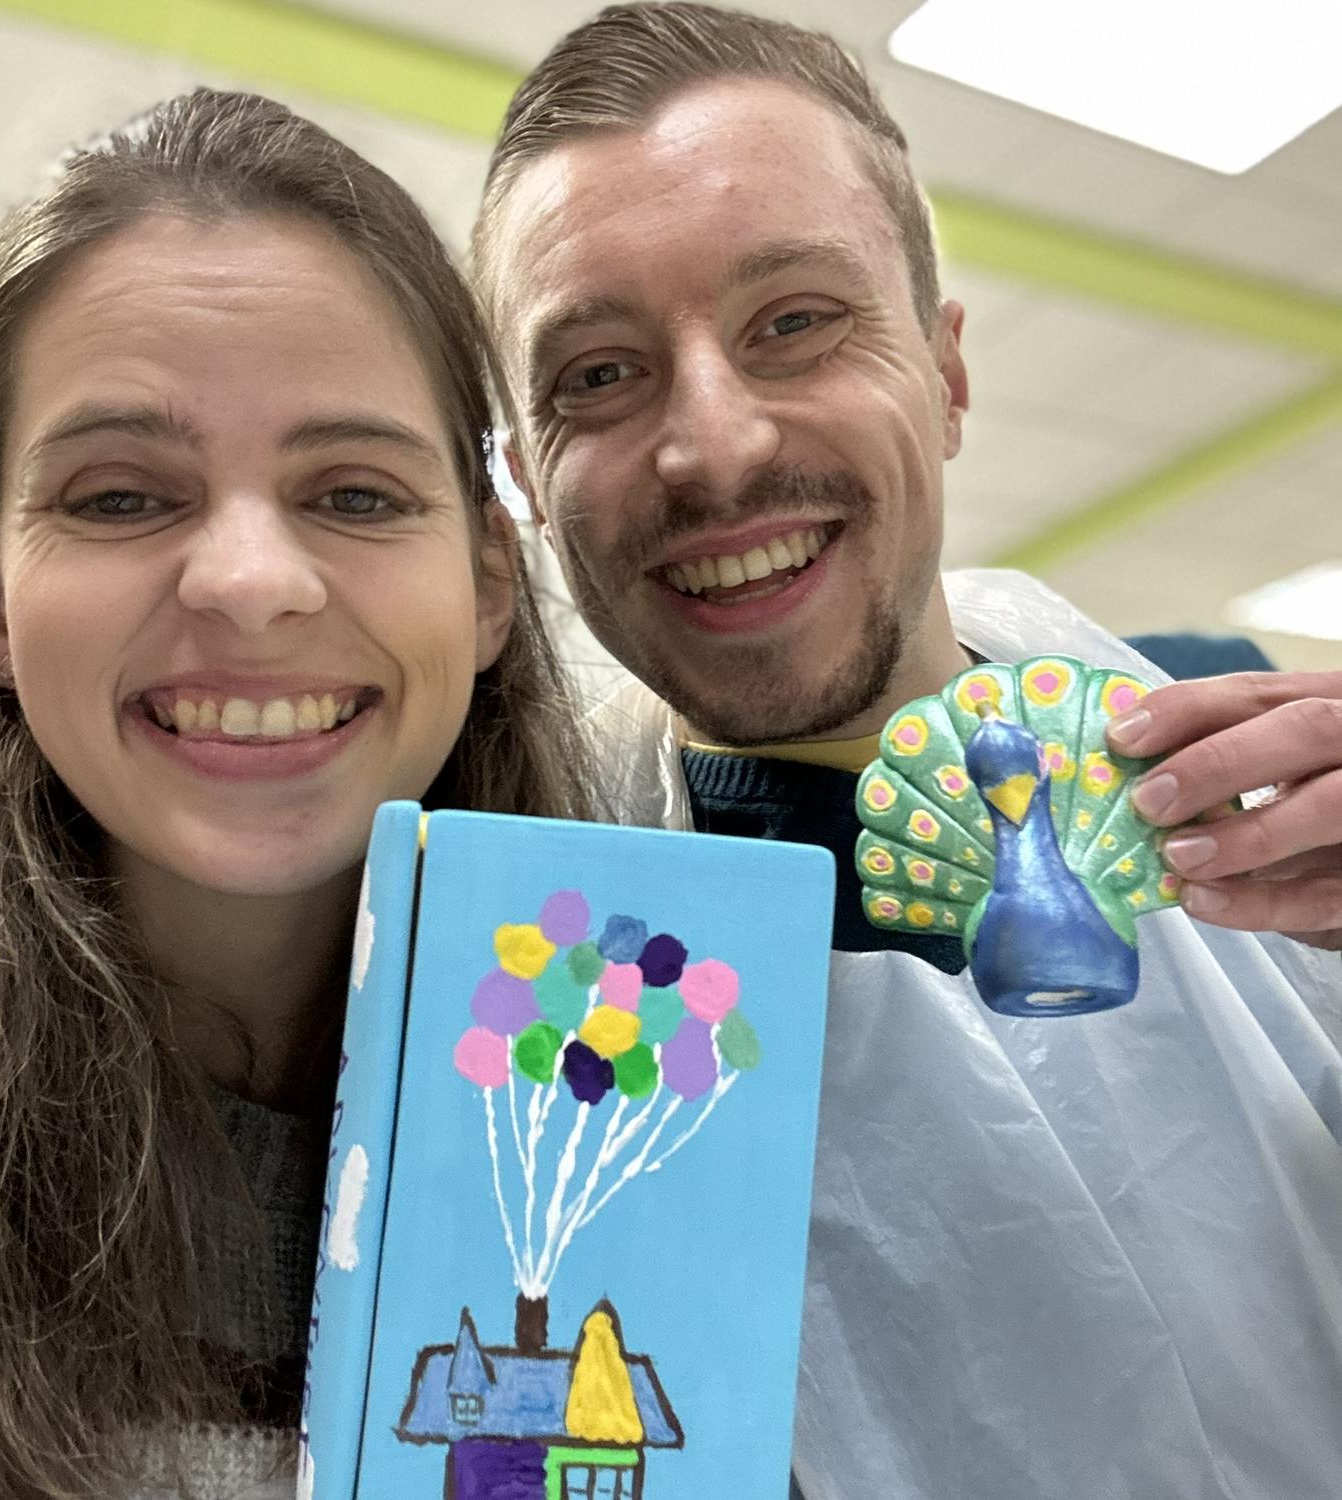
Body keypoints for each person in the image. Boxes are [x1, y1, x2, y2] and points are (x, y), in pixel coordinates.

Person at [470, 6, 1342, 1498]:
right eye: (597, 376)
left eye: (796, 321)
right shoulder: (505, 999)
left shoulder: (1258, 769)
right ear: (527, 488)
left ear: (944, 376)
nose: (716, 446)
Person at [0, 89, 592, 1500]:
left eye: (356, 496)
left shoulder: (653, 1090)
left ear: (490, 582)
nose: (251, 584)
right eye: (120, 498)